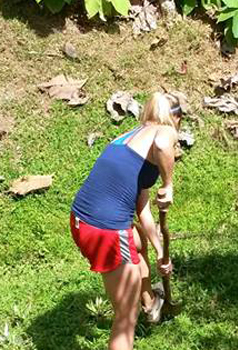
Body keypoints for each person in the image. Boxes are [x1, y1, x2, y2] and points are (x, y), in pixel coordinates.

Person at [70, 92, 182, 350]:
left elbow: (142, 208)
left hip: (80, 221)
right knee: (124, 318)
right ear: (175, 118)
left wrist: (160, 251)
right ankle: (138, 306)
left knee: (138, 243)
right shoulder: (163, 131)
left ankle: (150, 302)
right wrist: (168, 185)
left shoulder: (130, 137)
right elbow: (166, 145)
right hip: (105, 230)